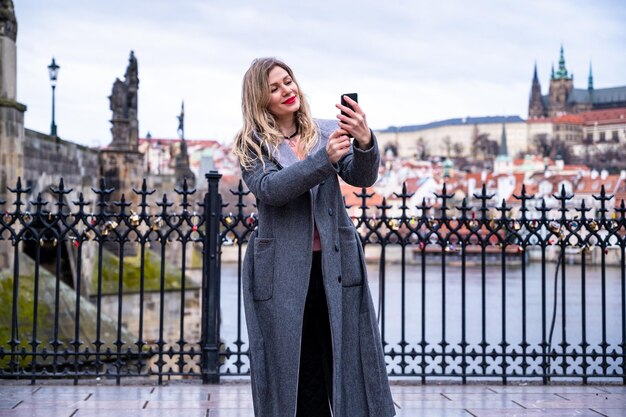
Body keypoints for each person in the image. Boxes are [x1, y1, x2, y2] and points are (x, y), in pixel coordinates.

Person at [233, 57, 395, 417]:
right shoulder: (251, 144)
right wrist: (323, 161)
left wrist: (365, 141)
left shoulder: (324, 131)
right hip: (282, 272)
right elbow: (271, 189)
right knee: (298, 368)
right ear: (260, 98)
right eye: (273, 88)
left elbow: (361, 177)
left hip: (335, 264)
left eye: (287, 81)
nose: (286, 91)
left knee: (345, 359)